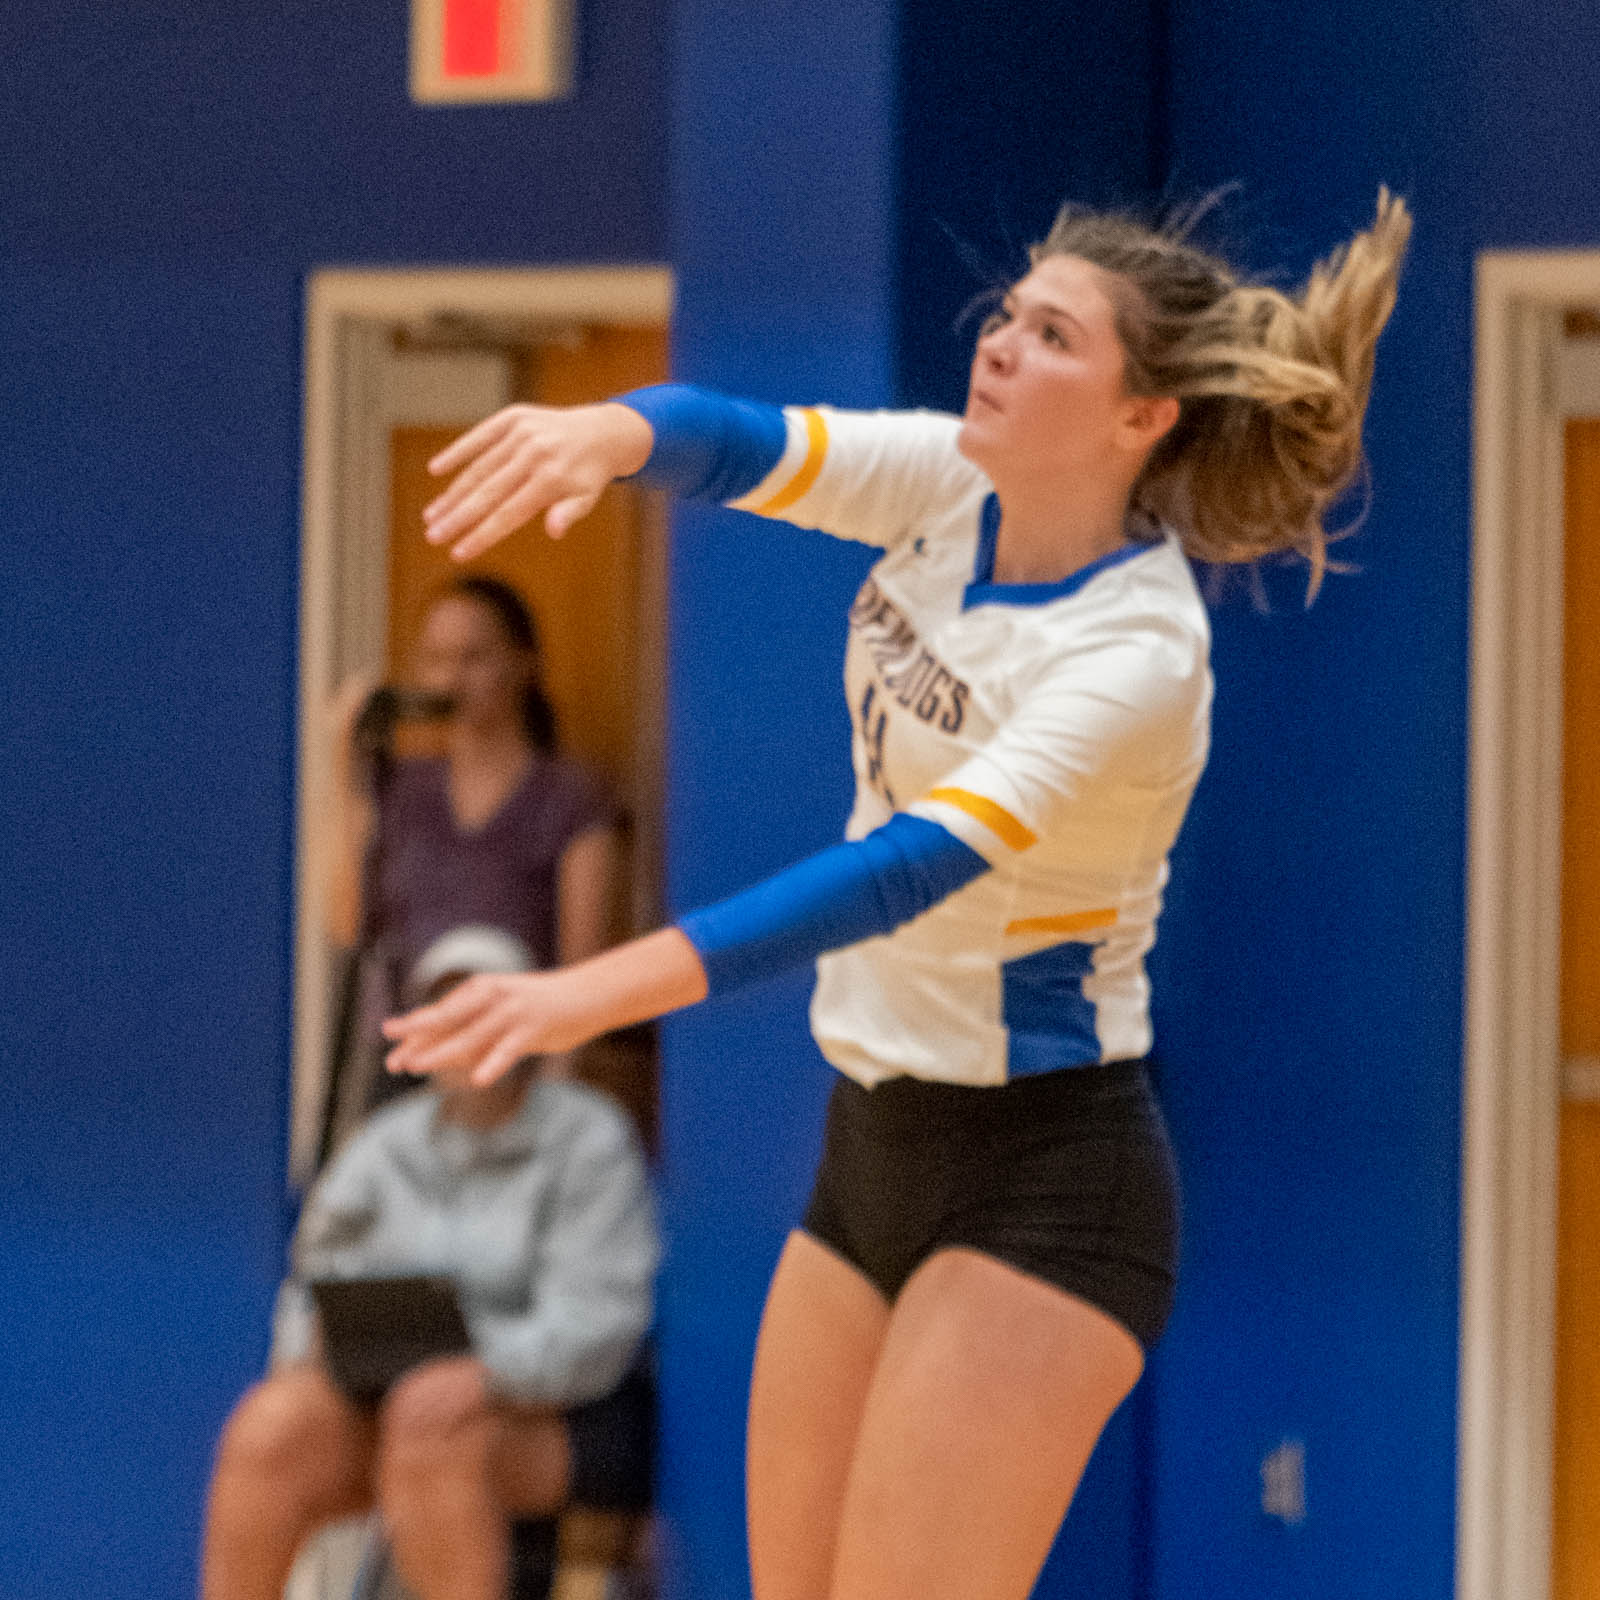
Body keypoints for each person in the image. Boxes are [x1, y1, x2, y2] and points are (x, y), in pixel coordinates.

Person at [382, 191, 1412, 1600]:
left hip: (1049, 1176)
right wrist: (603, 433)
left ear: (1141, 416)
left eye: (1052, 335)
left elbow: (904, 874)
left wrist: (588, 992)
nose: (999, 341)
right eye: (1009, 312)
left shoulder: (1138, 648)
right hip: (870, 1147)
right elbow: (737, 441)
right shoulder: (947, 482)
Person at [203, 927, 658, 1600]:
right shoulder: (381, 1146)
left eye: (481, 1007)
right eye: (445, 1011)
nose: (464, 1030)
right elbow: (313, 1280)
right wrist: (316, 1348)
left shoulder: (588, 1137)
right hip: (387, 1398)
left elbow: (601, 1323)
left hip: (555, 1409)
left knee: (429, 1424)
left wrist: (488, 1371)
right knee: (268, 1426)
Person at [320, 575, 619, 1133]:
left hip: (515, 1066)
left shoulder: (570, 799)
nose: (453, 678)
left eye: (474, 657)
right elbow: (346, 927)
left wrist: (552, 1106)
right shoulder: (401, 789)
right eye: (436, 660)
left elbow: (584, 967)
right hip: (406, 1062)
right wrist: (344, 775)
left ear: (523, 664)